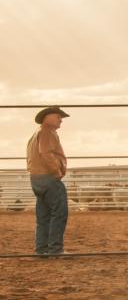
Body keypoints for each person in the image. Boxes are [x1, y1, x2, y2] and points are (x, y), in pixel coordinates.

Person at [26, 106, 70, 255]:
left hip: (36, 178)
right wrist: (56, 171)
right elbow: (45, 153)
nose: (61, 121)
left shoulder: (36, 134)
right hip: (48, 177)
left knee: (43, 215)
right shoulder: (47, 132)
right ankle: (55, 250)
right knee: (59, 212)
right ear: (49, 117)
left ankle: (42, 249)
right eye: (59, 117)